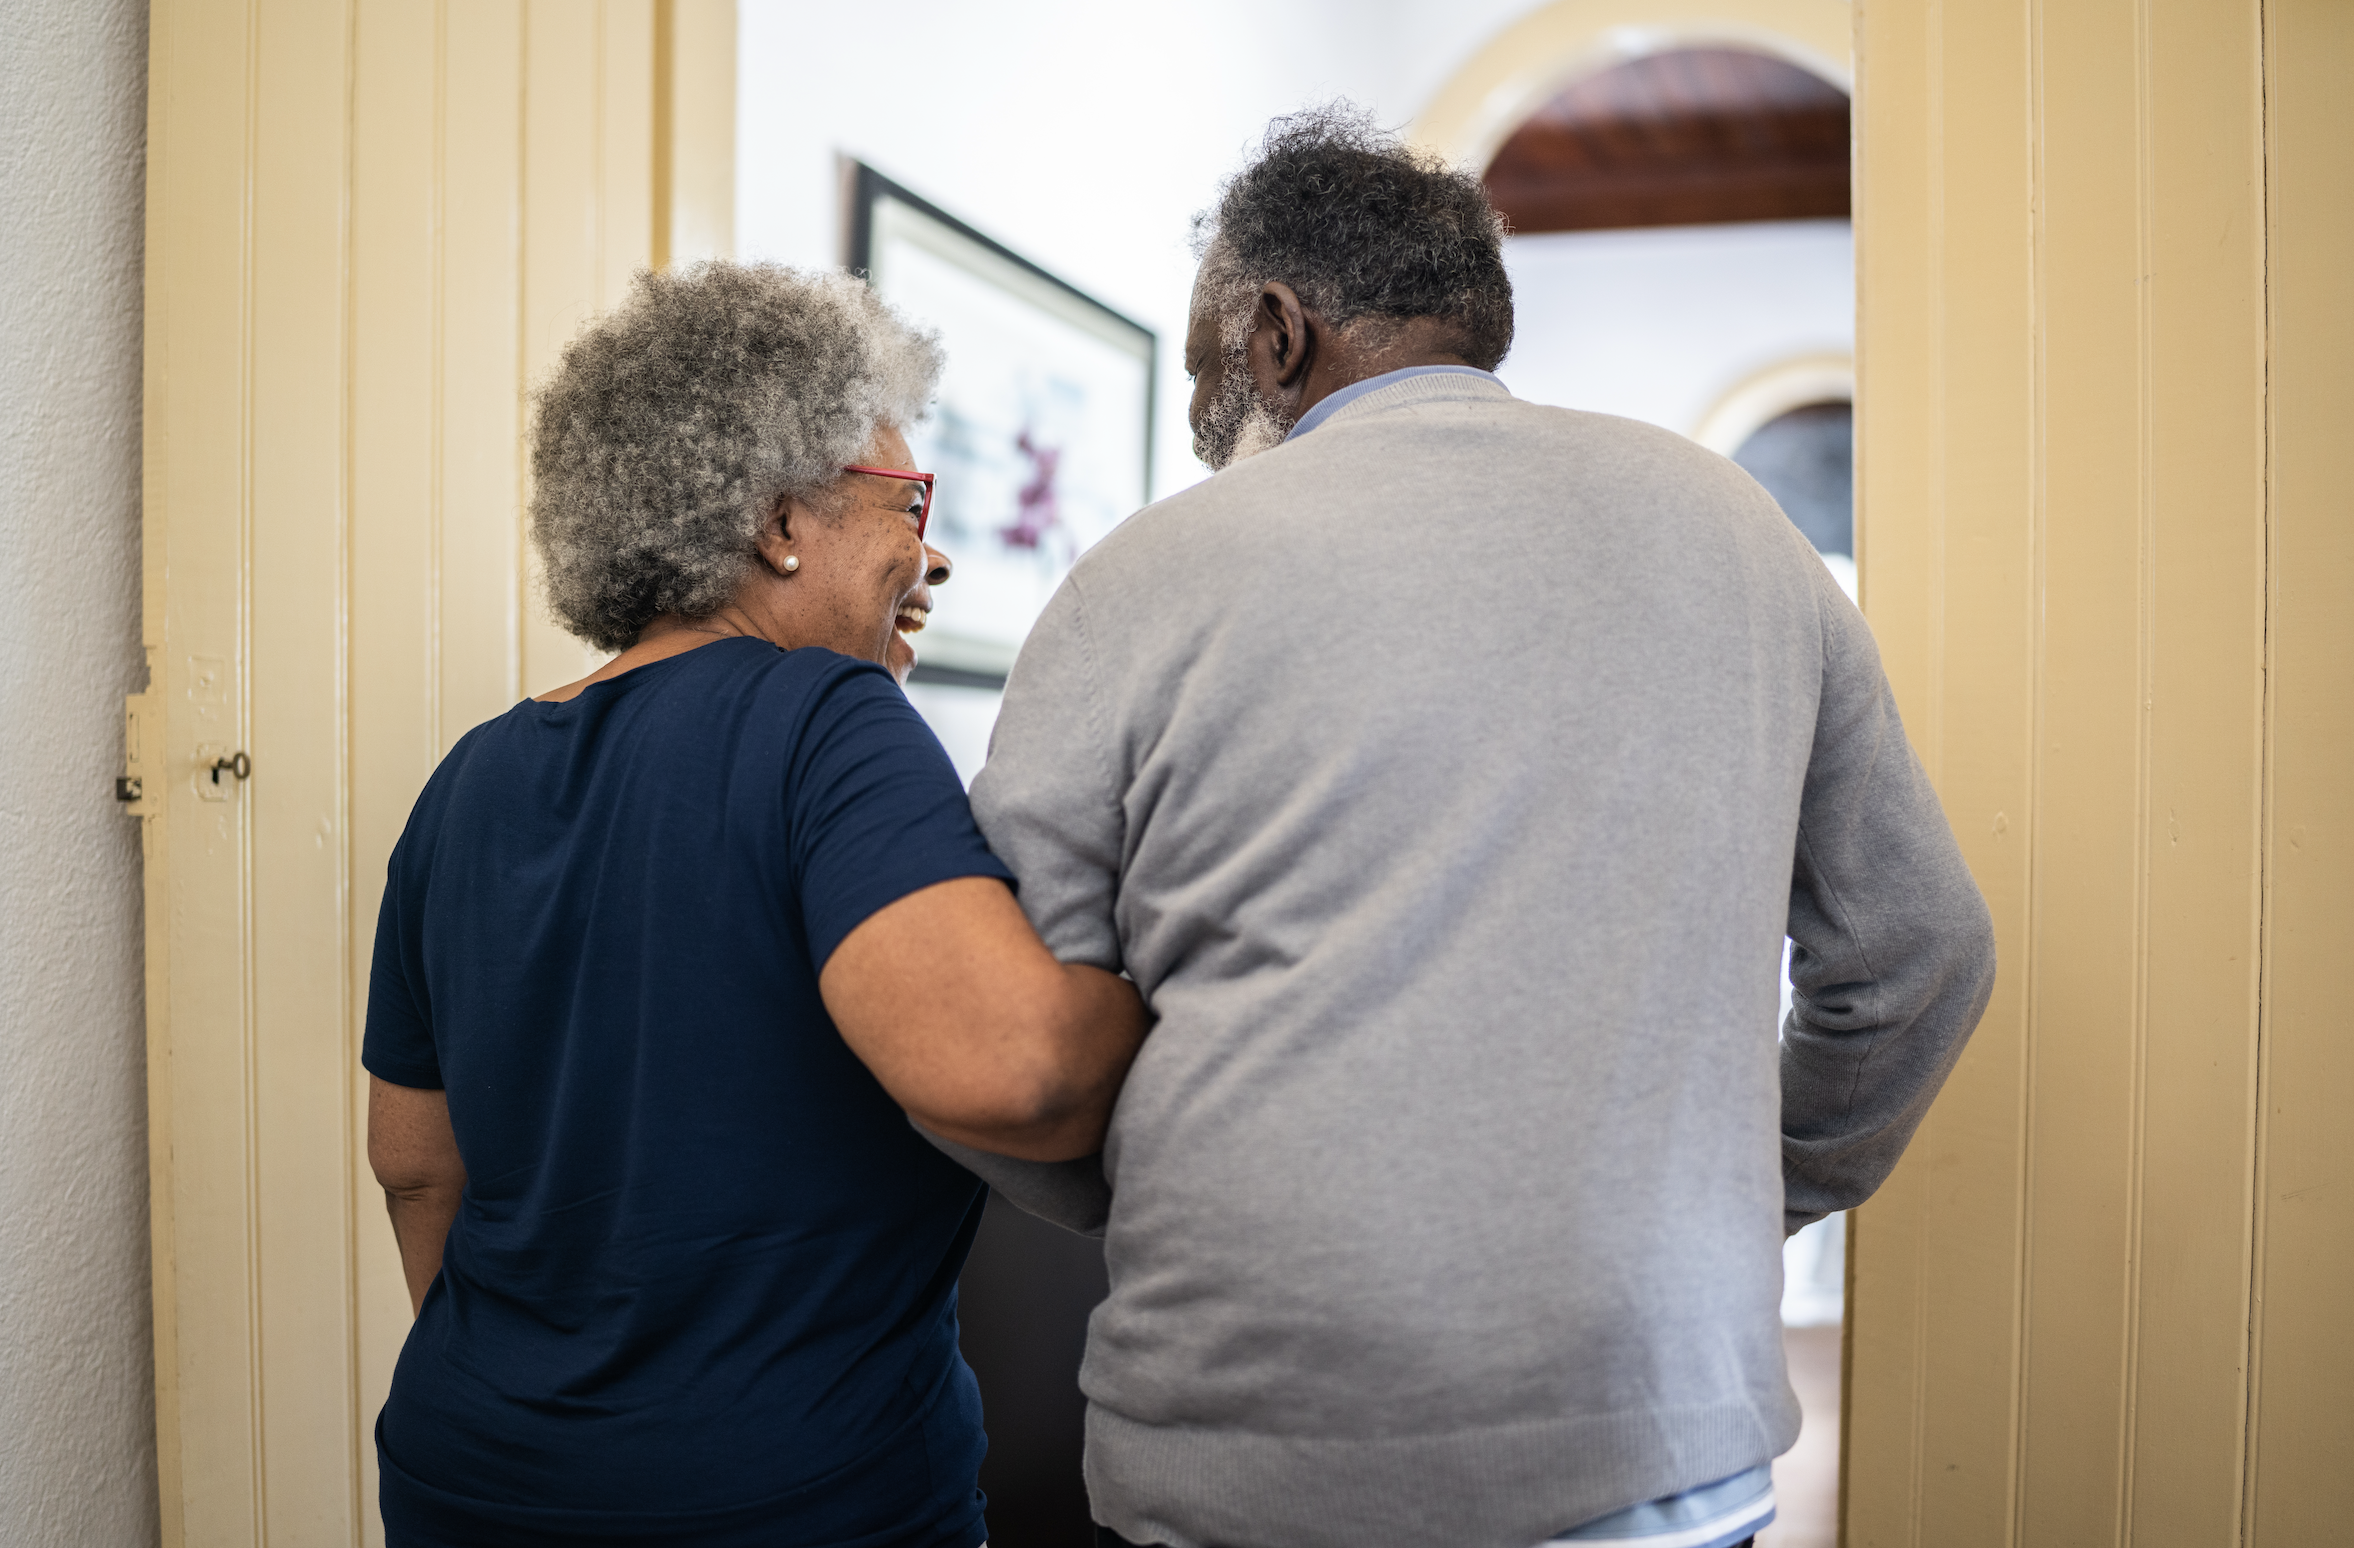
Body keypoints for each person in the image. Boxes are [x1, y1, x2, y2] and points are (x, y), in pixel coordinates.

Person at [943, 109, 1997, 1548]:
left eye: (1204, 362)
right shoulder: (1739, 528)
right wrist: (1754, 1189)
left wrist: (1172, 1197)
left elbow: (1008, 1042)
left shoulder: (1147, 571)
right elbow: (1919, 950)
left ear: (1273, 332)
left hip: (1259, 1445)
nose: (1205, 414)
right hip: (1661, 1439)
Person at [362, 260, 1148, 1548]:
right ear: (784, 520)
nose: (930, 549)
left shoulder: (469, 778)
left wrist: (545, 1410)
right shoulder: (827, 721)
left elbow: (412, 1165)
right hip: (788, 1503)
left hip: (468, 1476)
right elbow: (1014, 1070)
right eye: (905, 499)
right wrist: (1164, 998)